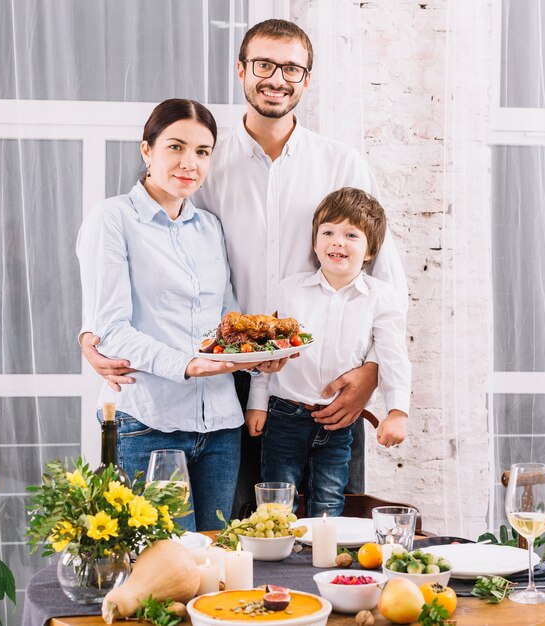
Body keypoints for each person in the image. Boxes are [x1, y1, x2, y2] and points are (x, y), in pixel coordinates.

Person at [81, 20, 408, 512]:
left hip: (322, 382)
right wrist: (93, 333)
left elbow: (383, 276)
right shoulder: (209, 162)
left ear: (307, 78)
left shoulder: (343, 163)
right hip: (226, 380)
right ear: (241, 70)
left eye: (292, 68)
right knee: (237, 533)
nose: (277, 78)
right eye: (264, 65)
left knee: (328, 527)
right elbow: (160, 252)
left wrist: (373, 371)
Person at [76, 99, 268, 532]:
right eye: (176, 147)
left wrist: (257, 355)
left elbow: (226, 317)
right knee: (165, 575)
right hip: (150, 424)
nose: (189, 162)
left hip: (221, 425)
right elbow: (109, 330)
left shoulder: (210, 228)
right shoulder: (112, 219)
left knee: (213, 566)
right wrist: (187, 364)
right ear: (147, 150)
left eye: (202, 152)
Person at [245, 188, 411, 516]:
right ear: (315, 241)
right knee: (277, 503)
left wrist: (397, 412)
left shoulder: (381, 297)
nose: (337, 241)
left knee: (328, 504)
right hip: (284, 415)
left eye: (351, 234)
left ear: (370, 250)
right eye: (328, 232)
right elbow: (267, 351)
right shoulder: (288, 289)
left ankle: (318, 564)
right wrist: (257, 404)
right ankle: (281, 564)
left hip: (338, 422)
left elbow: (392, 354)